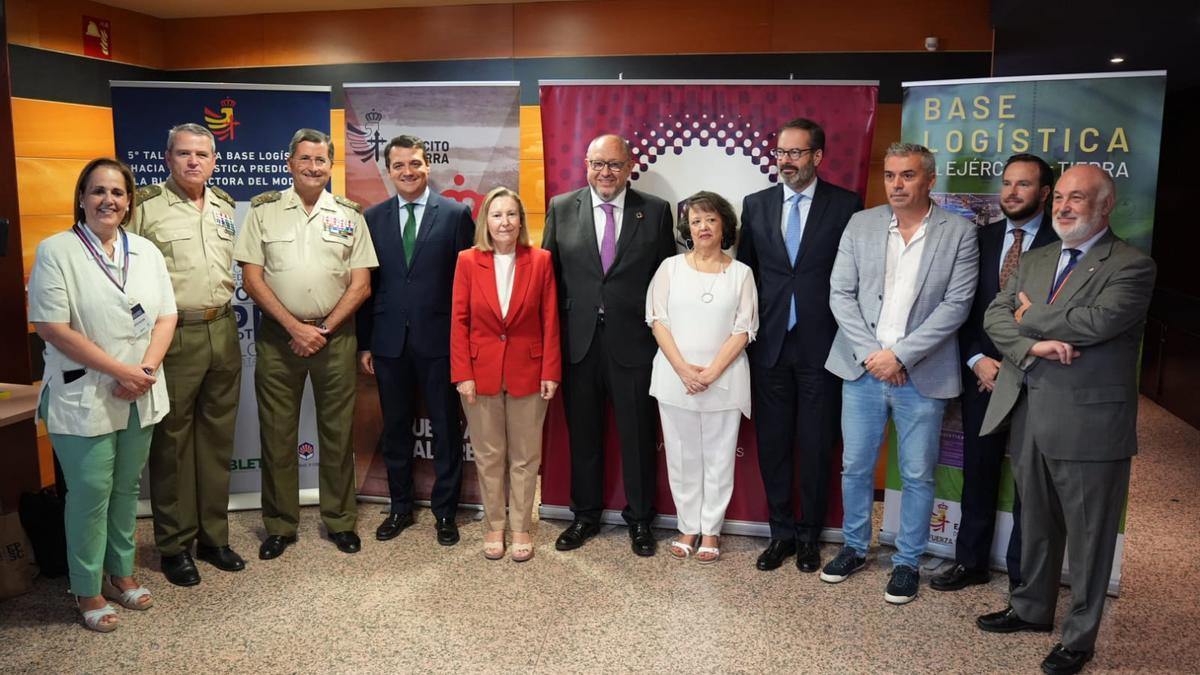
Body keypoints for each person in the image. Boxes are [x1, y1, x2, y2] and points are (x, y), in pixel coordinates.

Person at [976, 165, 1155, 675]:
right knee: (1034, 519)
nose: (1064, 207)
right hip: (1030, 405)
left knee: (1089, 534)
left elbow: (1098, 322)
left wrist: (1028, 317)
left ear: (1105, 206)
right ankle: (1031, 609)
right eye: (1061, 199)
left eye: (1079, 199)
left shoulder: (1131, 265)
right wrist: (1033, 343)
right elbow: (994, 316)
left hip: (1090, 422)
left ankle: (1080, 638)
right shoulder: (1035, 259)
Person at [822, 142, 979, 605]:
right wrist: (874, 354)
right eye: (891, 175)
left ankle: (907, 562)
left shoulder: (960, 233)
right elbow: (840, 294)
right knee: (854, 465)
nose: (897, 184)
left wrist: (901, 356)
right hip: (862, 369)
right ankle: (854, 546)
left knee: (916, 472)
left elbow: (956, 306)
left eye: (908, 175)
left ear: (930, 180)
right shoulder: (861, 223)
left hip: (921, 375)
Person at [28, 158, 177, 631]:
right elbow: (50, 326)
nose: (107, 200)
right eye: (97, 191)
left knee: (126, 490)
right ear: (81, 197)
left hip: (140, 391)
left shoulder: (147, 252)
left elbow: (166, 317)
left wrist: (145, 370)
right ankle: (87, 589)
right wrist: (121, 371)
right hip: (85, 393)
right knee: (91, 492)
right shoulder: (57, 251)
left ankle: (121, 574)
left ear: (129, 201)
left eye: (116, 192)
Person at [233, 129, 378, 560]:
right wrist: (295, 327)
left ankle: (340, 521)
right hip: (280, 339)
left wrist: (324, 329)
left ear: (330, 166)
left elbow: (362, 284)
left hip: (336, 337)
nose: (313, 167)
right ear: (290, 162)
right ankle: (279, 525)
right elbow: (251, 278)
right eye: (305, 159)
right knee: (277, 434)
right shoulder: (264, 212)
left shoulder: (349, 214)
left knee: (337, 433)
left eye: (321, 160)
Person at [737, 117, 863, 573]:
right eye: (781, 153)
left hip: (823, 346)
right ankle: (781, 534)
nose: (785, 161)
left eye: (795, 153)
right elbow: (747, 275)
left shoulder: (847, 205)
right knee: (772, 445)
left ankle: (810, 536)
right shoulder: (755, 205)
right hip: (769, 346)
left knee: (814, 445)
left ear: (817, 157)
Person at [541, 133, 676, 557]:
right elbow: (548, 277)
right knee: (584, 435)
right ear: (586, 164)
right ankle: (585, 517)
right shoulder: (562, 208)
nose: (606, 172)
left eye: (614, 165)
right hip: (578, 344)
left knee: (637, 437)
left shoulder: (654, 212)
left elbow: (666, 283)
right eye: (598, 164)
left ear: (629, 165)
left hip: (634, 344)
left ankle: (640, 520)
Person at [931, 154, 1058, 592]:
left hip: (1037, 378)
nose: (1012, 192)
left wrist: (1020, 362)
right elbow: (959, 309)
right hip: (982, 374)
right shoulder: (977, 238)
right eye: (1006, 183)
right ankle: (970, 562)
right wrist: (974, 360)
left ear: (1044, 193)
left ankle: (1024, 577)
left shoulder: (1062, 244)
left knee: (1030, 481)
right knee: (979, 471)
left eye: (1023, 185)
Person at [129, 123, 244, 587]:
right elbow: (125, 271)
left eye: (202, 154)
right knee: (172, 444)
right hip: (173, 336)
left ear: (214, 160)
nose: (194, 161)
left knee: (217, 440)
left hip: (223, 328)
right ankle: (175, 544)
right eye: (184, 154)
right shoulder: (145, 207)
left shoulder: (223, 205)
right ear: (168, 157)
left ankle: (214, 538)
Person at [356, 135, 474, 546]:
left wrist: (464, 344)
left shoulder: (457, 214)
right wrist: (365, 343)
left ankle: (445, 513)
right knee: (396, 430)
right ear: (389, 171)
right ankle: (400, 508)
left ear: (428, 167)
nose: (407, 171)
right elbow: (367, 285)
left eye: (415, 164)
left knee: (445, 428)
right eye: (399, 165)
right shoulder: (373, 219)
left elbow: (467, 285)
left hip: (440, 342)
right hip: (389, 343)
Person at [450, 188, 561, 562]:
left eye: (512, 214)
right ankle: (495, 526)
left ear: (521, 220)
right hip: (479, 374)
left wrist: (550, 370)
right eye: (497, 215)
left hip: (529, 371)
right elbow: (459, 321)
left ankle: (521, 528)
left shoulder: (540, 260)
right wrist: (462, 373)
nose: (505, 222)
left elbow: (550, 319)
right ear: (486, 221)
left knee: (526, 457)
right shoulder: (468, 260)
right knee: (489, 454)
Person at [647, 192, 757, 564]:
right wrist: (682, 369)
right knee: (681, 456)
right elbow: (657, 321)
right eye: (696, 221)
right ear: (687, 229)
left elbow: (744, 330)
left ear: (724, 225)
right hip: (674, 378)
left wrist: (710, 372)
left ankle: (711, 530)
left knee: (719, 458)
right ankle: (687, 526)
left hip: (723, 381)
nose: (703, 227)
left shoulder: (741, 274)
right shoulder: (669, 268)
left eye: (710, 220)